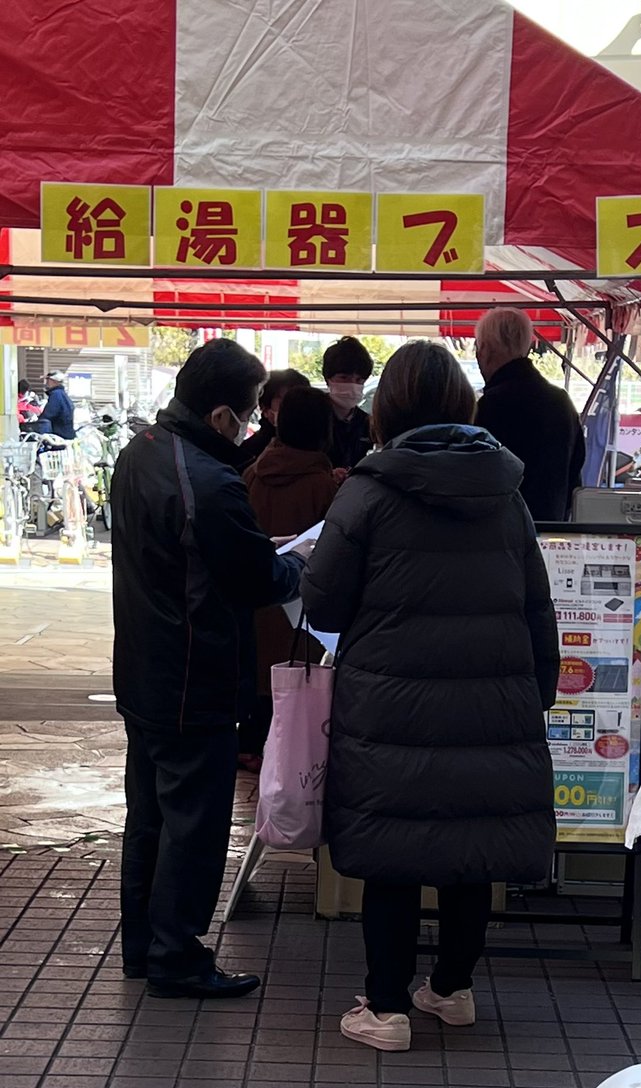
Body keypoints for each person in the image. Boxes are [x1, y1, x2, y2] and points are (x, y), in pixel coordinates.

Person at [301, 340, 559, 1052]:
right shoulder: (506, 493)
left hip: (391, 705)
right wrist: (537, 692)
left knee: (395, 851)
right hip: (490, 700)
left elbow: (322, 604)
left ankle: (384, 1009)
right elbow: (537, 605)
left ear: (388, 405)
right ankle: (450, 990)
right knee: (468, 849)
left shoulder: (370, 490)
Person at [111, 338, 312, 1000]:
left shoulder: (139, 453)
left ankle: (143, 944)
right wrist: (296, 564)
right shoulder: (209, 480)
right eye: (251, 412)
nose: (252, 425)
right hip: (194, 675)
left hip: (143, 668)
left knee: (150, 815)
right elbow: (257, 577)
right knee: (194, 822)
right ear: (224, 414)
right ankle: (176, 954)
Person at [239, 385, 339, 767]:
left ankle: (249, 748)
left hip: (258, 603)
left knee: (261, 678)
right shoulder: (324, 486)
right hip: (302, 614)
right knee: (299, 686)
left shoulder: (251, 475)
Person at [475, 309, 585, 521]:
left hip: (500, 534)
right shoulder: (561, 401)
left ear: (486, 350)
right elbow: (575, 477)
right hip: (551, 531)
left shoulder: (489, 406)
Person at [235, 367, 308, 471]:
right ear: (264, 408)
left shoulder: (319, 446)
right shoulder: (248, 455)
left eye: (301, 401)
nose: (295, 407)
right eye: (286, 401)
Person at [322, 335, 374, 470]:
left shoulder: (367, 423)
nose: (352, 385)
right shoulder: (312, 417)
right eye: (344, 378)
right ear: (328, 379)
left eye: (359, 380)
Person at [40, 370, 75, 440]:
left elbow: (48, 415)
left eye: (48, 380)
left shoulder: (56, 395)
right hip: (67, 435)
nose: (46, 383)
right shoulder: (62, 394)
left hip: (59, 436)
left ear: (54, 381)